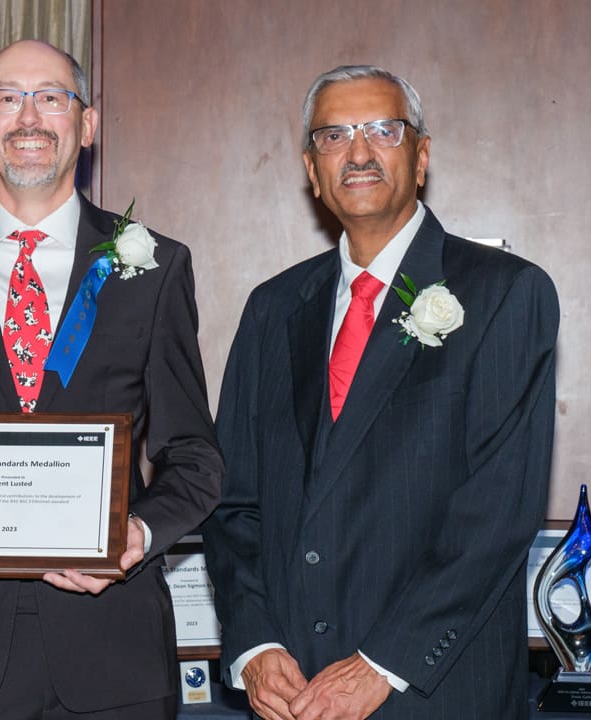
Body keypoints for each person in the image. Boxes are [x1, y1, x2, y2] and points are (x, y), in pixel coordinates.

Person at [0, 40, 223, 719]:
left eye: (51, 96)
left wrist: (139, 535)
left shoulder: (155, 267)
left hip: (114, 653)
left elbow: (194, 457)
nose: (29, 117)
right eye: (7, 97)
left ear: (85, 125)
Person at [203, 65, 559, 720]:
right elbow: (235, 504)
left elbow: (498, 512)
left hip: (434, 690)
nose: (359, 151)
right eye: (334, 136)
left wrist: (382, 663)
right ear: (313, 170)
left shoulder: (504, 293)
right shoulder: (273, 309)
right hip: (294, 696)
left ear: (421, 157)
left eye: (382, 130)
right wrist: (254, 643)